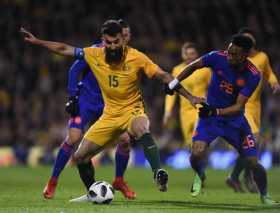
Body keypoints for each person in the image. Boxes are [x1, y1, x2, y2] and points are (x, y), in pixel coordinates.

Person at [20, 20, 203, 201]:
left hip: (132, 110)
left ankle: (157, 172)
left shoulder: (136, 57)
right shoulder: (94, 53)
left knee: (141, 128)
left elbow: (164, 75)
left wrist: (190, 97)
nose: (113, 46)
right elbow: (63, 49)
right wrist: (38, 42)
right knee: (80, 157)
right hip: (109, 115)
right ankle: (93, 193)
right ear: (103, 40)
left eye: (117, 42)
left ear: (123, 40)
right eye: (109, 42)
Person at [167, 34, 278, 204]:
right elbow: (193, 66)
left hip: (234, 122)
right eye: (229, 51)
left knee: (253, 162)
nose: (229, 56)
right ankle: (200, 173)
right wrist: (174, 82)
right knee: (196, 154)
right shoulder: (217, 57)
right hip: (210, 119)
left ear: (245, 55)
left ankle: (264, 195)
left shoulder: (252, 75)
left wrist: (215, 112)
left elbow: (239, 106)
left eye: (234, 54)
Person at [42, 19, 136, 200]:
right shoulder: (95, 51)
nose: (123, 39)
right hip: (86, 101)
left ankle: (119, 180)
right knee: (74, 137)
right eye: (120, 35)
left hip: (108, 105)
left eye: (125, 36)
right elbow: (74, 70)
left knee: (125, 139)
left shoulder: (129, 57)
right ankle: (53, 180)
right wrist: (72, 96)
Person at [226, 27, 280, 193]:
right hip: (242, 106)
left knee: (249, 145)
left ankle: (235, 177)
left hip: (256, 108)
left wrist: (274, 81)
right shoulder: (237, 58)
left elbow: (268, 72)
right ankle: (248, 178)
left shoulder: (262, 57)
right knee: (253, 141)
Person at [163, 42, 211, 148]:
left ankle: (203, 155)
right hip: (184, 112)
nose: (189, 57)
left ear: (197, 54)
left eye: (192, 54)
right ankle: (199, 161)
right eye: (187, 54)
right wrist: (167, 111)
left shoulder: (205, 70)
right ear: (182, 55)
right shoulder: (177, 70)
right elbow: (172, 93)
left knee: (198, 138)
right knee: (190, 143)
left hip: (200, 108)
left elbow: (212, 88)